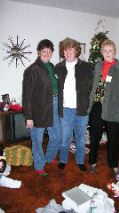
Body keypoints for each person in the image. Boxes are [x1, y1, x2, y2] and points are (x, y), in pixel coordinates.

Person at [88, 39, 119, 174]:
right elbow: (93, 88)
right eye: (105, 50)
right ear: (102, 52)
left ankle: (113, 163)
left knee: (113, 139)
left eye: (110, 50)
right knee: (95, 136)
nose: (108, 53)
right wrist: (89, 106)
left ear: (115, 52)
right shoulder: (98, 66)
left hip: (113, 108)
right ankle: (92, 162)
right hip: (97, 105)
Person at [22, 39, 61, 176]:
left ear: (52, 53)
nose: (46, 53)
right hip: (38, 110)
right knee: (37, 140)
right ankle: (39, 165)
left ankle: (49, 157)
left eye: (49, 51)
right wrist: (29, 117)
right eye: (43, 51)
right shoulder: (32, 70)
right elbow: (26, 96)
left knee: (57, 136)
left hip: (54, 106)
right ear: (38, 52)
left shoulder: (52, 66)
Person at [55, 37, 93, 171]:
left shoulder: (86, 67)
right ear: (63, 52)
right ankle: (63, 159)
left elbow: (91, 87)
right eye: (65, 49)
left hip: (81, 108)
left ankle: (80, 161)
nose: (68, 52)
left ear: (76, 51)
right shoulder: (58, 68)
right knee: (65, 137)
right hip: (65, 109)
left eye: (71, 49)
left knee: (81, 138)